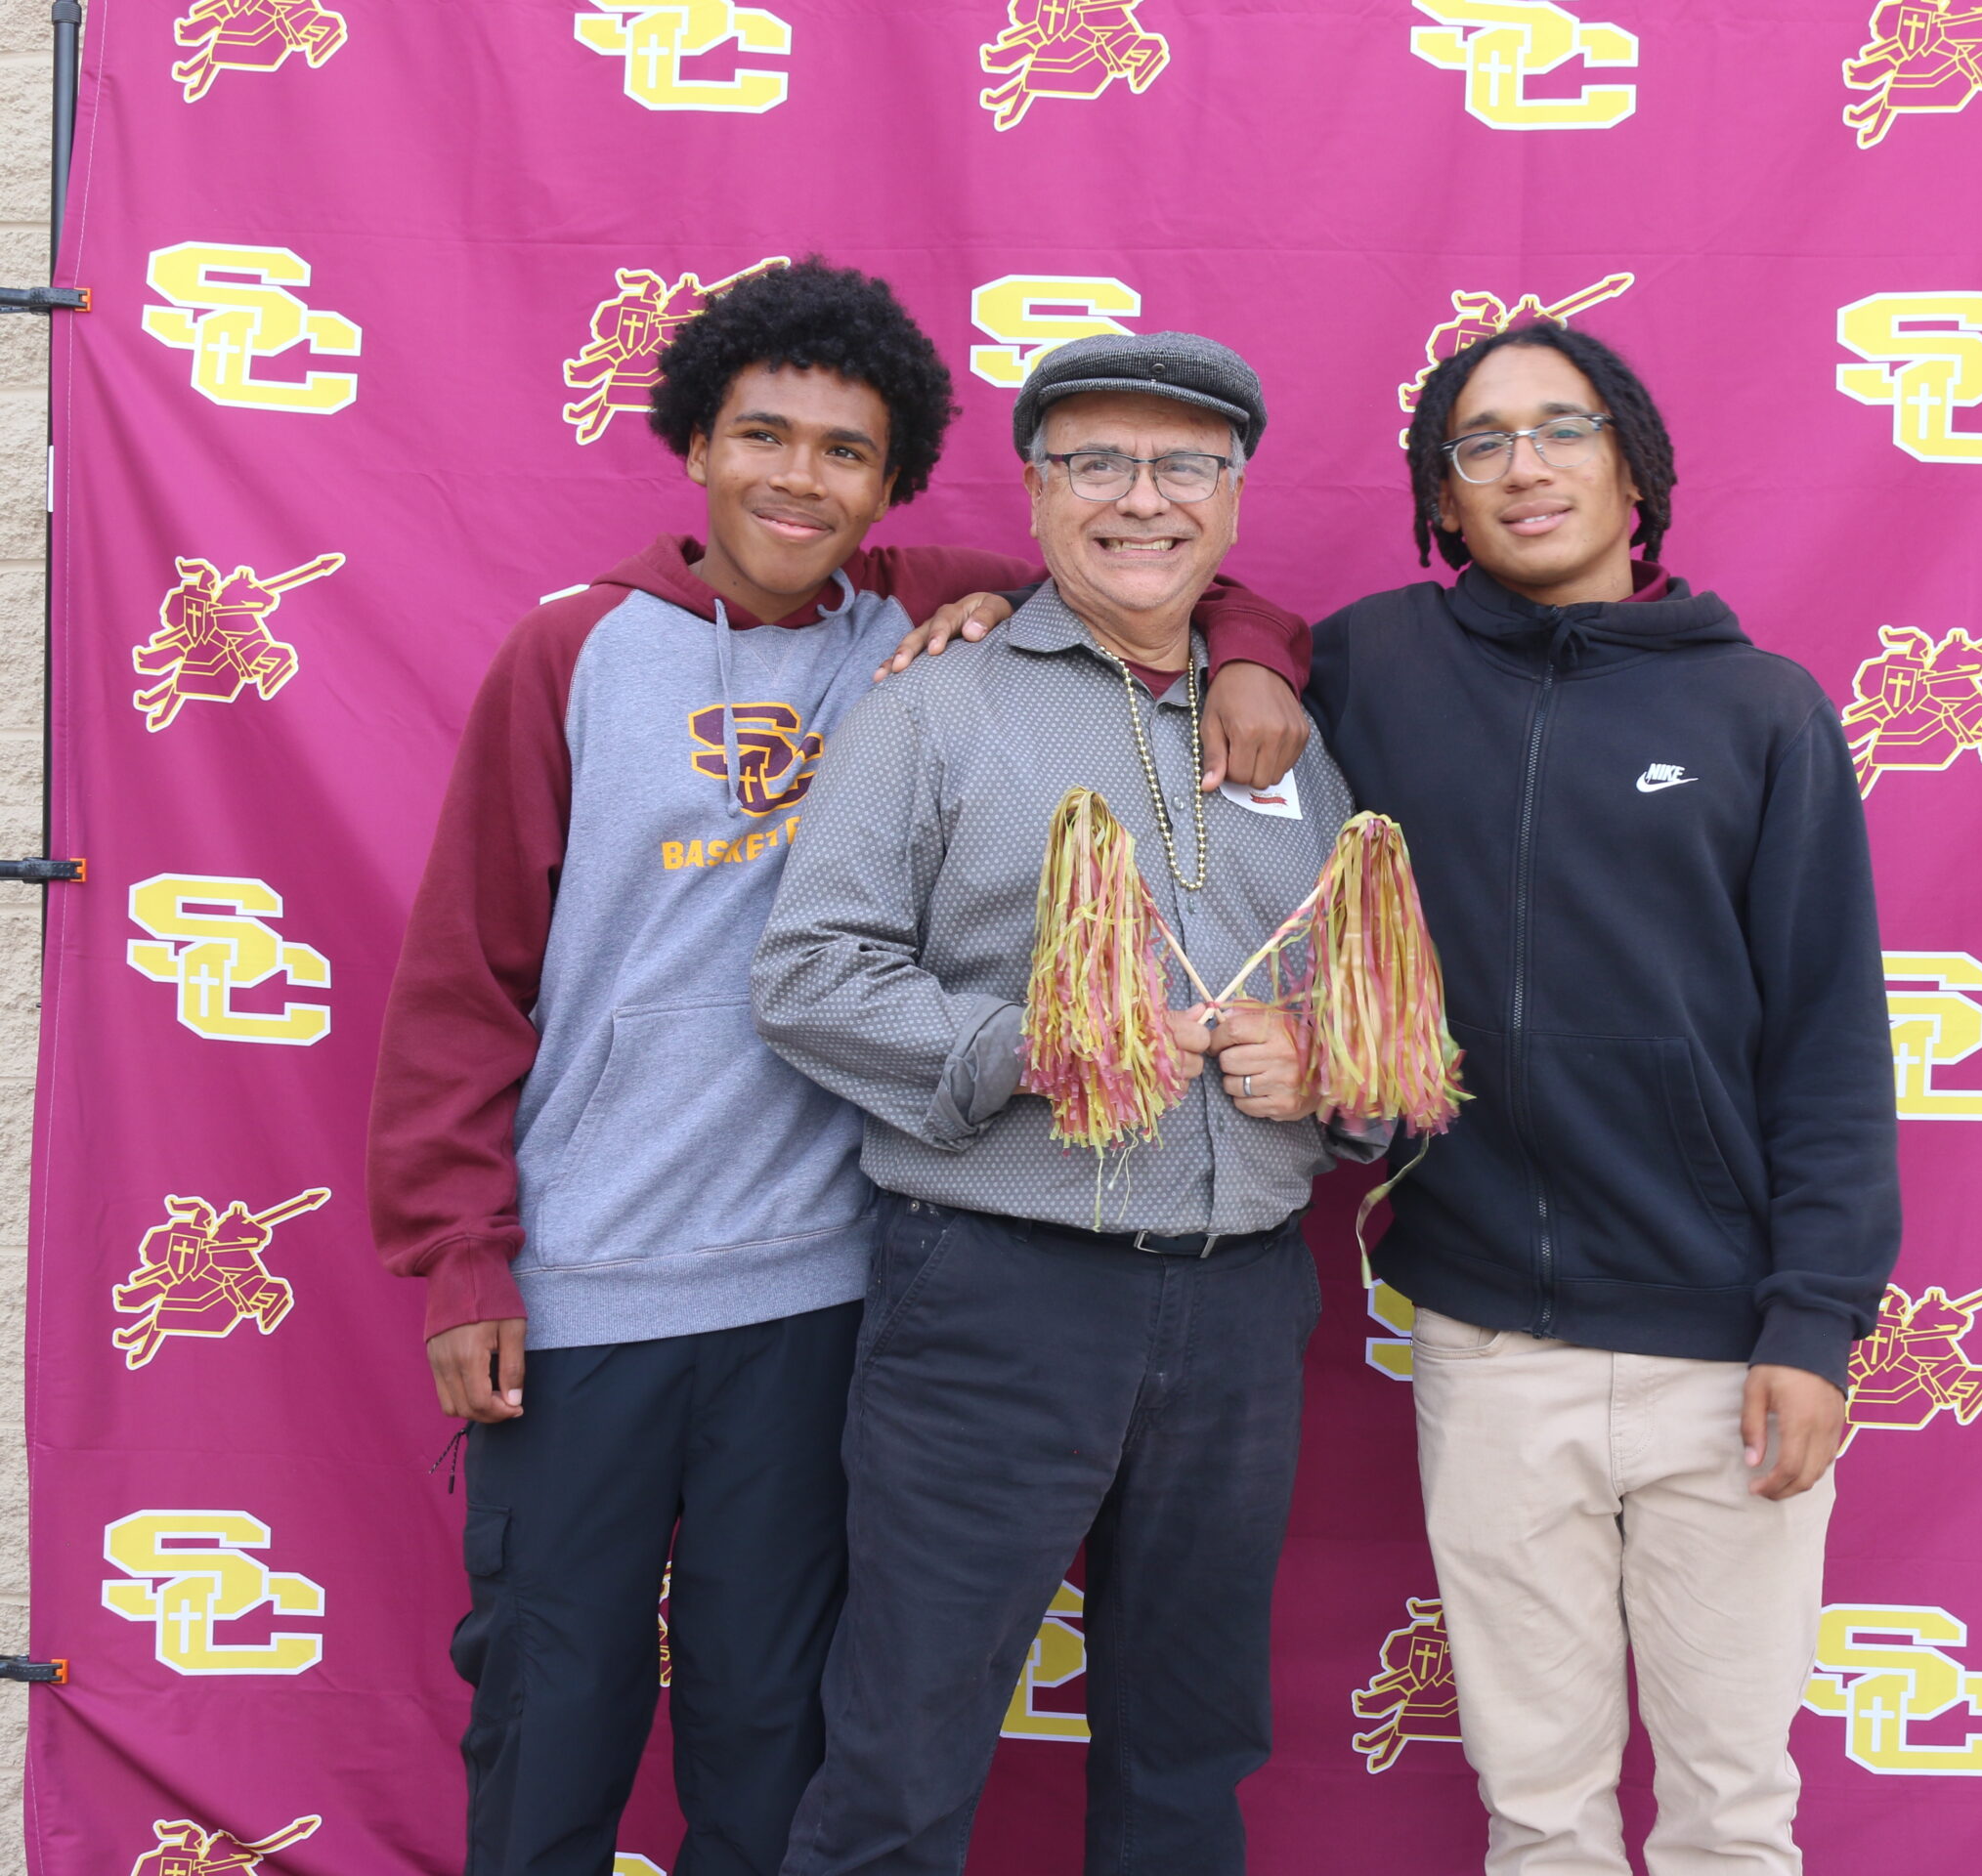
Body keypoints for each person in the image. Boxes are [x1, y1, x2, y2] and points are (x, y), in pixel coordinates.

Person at [366, 264, 1310, 1876]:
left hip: (821, 1287)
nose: (799, 479)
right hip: (593, 1281)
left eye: (846, 452)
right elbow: (468, 980)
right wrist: (463, 1253)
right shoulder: (580, 654)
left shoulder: (926, 617)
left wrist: (1250, 646)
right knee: (552, 1692)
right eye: (764, 436)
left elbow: (1153, 570)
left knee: (771, 1719)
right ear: (694, 445)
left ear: (896, 480)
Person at [751, 330, 1374, 1876]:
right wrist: (1039, 1042)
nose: (1140, 501)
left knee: (1189, 1748)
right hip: (996, 1294)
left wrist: (1338, 1081)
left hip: (1240, 1313)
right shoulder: (934, 706)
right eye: (1096, 462)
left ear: (1232, 503)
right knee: (905, 1745)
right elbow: (810, 974)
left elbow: (1373, 1006)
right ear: (1036, 497)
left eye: (1183, 467)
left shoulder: (1290, 738)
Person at [1308, 321, 1901, 1874]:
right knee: (1542, 1811)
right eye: (1480, 441)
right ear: (1441, 500)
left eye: (1562, 429)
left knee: (1730, 1810)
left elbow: (1832, 1043)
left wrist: (1813, 1323)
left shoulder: (1761, 708)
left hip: (1728, 1352)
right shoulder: (1375, 664)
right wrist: (1234, 651)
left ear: (1633, 468)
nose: (1525, 466)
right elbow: (1178, 608)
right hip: (1493, 1342)